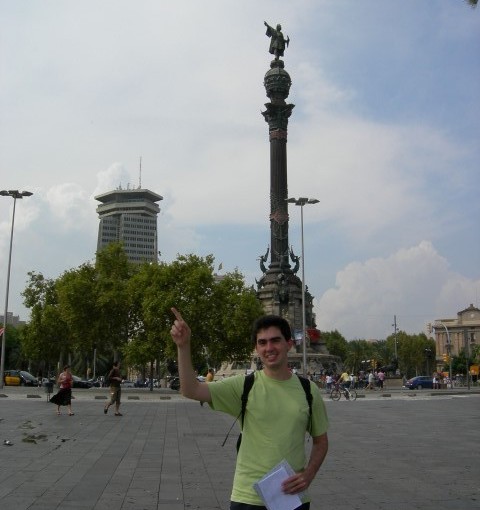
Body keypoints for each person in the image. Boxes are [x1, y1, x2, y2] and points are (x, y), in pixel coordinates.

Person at [170, 308, 329, 510]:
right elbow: (191, 390)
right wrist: (183, 347)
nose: (269, 347)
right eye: (262, 342)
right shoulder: (244, 385)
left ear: (289, 344)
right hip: (247, 497)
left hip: (291, 498)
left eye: (275, 340)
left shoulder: (309, 390)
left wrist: (309, 474)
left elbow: (321, 441)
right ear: (256, 348)